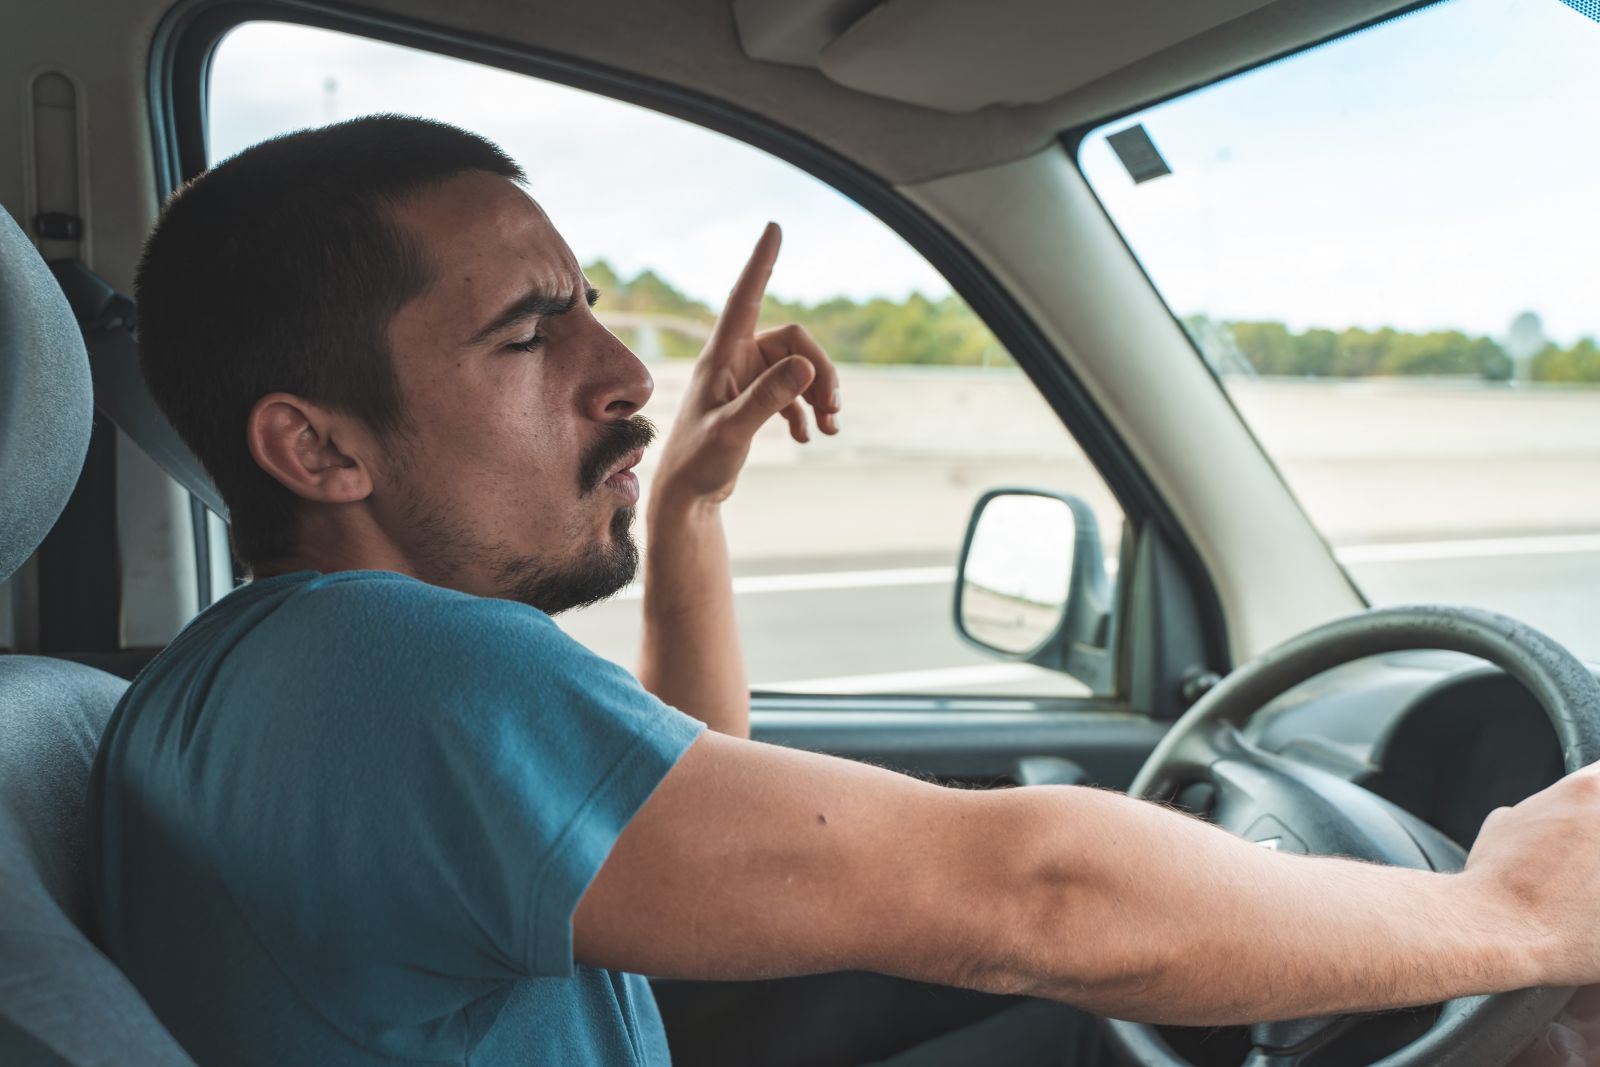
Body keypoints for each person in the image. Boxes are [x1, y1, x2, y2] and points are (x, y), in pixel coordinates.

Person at [88, 114, 1600, 1067]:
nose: (626, 374)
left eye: (595, 312)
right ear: (317, 445)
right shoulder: (396, 672)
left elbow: (681, 820)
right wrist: (1505, 917)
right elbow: (1030, 893)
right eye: (530, 335)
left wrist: (683, 507)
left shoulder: (246, 680)